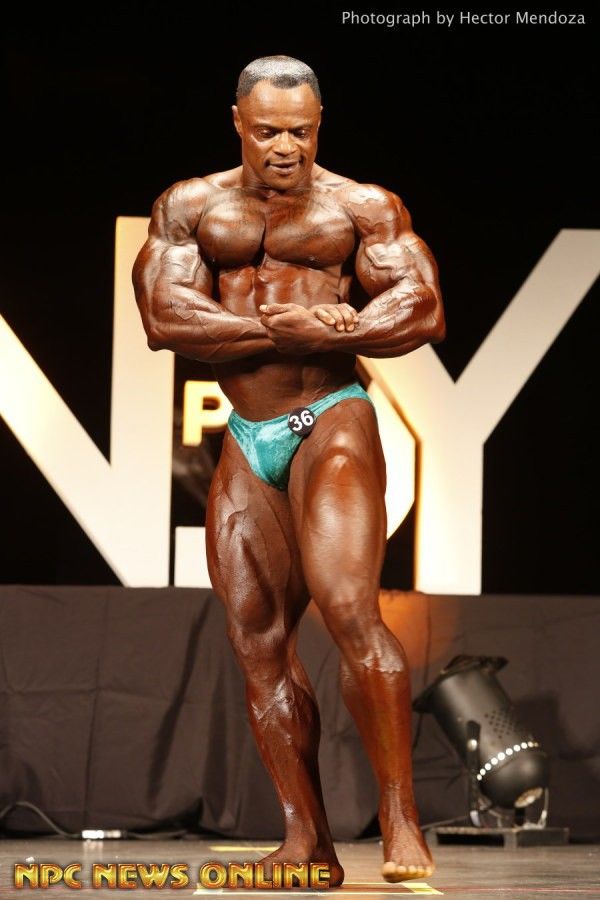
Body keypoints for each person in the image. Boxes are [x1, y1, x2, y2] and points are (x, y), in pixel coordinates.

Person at [133, 55, 445, 885]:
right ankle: (307, 840)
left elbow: (421, 307)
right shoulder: (190, 206)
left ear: (319, 125)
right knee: (259, 644)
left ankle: (401, 822)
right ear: (238, 122)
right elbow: (164, 317)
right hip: (247, 434)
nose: (285, 147)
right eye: (269, 130)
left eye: (301, 132)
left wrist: (344, 333)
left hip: (329, 419)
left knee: (348, 610)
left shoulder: (361, 206)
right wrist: (296, 328)